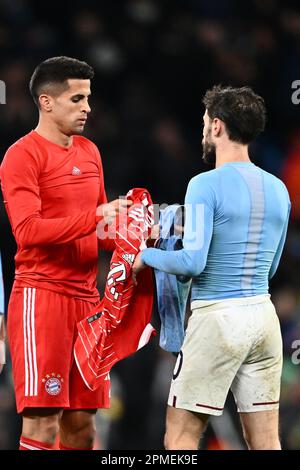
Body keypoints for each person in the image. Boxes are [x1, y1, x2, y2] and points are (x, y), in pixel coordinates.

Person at [133, 85, 291, 450]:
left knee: (181, 436)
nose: (203, 130)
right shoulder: (280, 189)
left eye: (205, 123)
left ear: (217, 126)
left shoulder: (203, 184)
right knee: (266, 440)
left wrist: (147, 256)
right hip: (264, 321)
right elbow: (272, 269)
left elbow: (191, 263)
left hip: (218, 320)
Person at [0, 56, 131, 451]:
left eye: (88, 98)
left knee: (83, 428)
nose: (87, 107)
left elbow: (100, 231)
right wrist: (96, 217)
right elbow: (27, 231)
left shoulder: (90, 152)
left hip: (88, 305)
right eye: (77, 98)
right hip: (42, 300)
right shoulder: (21, 156)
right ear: (46, 102)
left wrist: (138, 231)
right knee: (41, 426)